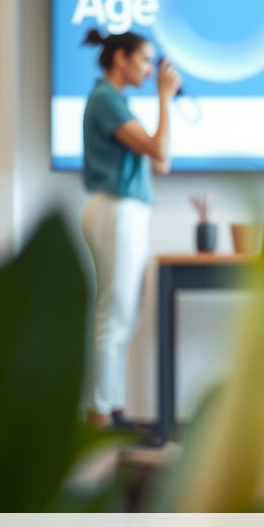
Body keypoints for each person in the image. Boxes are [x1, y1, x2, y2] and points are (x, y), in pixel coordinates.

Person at [79, 28, 181, 430]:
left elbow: (161, 162)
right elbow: (158, 150)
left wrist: (162, 104)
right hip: (116, 211)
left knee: (122, 315)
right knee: (113, 315)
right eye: (143, 60)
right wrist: (164, 97)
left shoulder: (116, 102)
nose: (149, 68)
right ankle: (100, 417)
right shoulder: (105, 99)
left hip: (128, 211)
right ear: (120, 58)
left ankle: (112, 409)